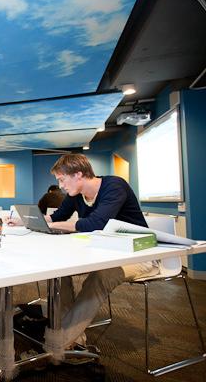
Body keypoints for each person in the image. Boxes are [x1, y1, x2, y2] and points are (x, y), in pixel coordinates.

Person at [42, 153, 159, 361]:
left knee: (101, 277)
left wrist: (52, 225)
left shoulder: (114, 186)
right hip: (105, 252)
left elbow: (96, 224)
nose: (60, 186)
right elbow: (58, 216)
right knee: (59, 272)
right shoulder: (76, 194)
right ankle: (73, 340)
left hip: (140, 255)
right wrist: (33, 220)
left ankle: (55, 346)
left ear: (78, 174)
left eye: (62, 180)